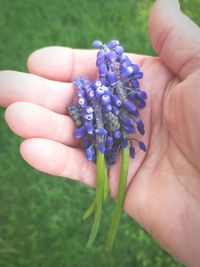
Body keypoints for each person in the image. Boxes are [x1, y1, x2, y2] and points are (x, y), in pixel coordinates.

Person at [0, 0, 200, 265]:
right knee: (104, 145)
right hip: (103, 128)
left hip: (115, 125)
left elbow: (131, 97)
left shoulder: (122, 96)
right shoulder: (97, 101)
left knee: (117, 135)